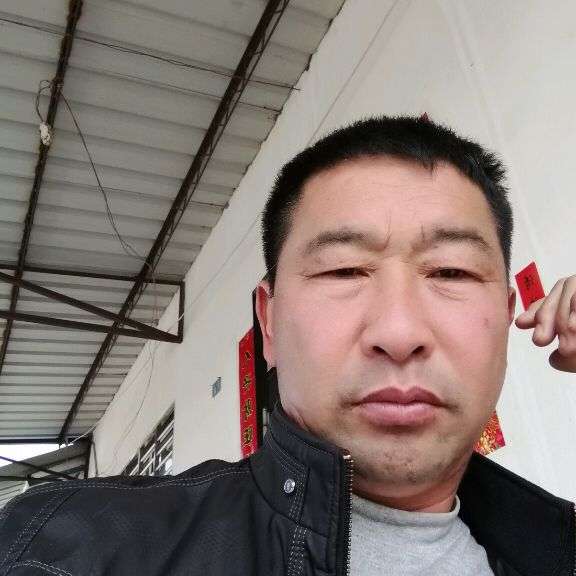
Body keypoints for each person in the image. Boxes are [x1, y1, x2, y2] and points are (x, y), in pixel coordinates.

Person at [1, 117, 575, 576]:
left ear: (507, 314)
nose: (399, 333)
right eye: (344, 270)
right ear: (269, 323)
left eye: (450, 271)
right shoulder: (68, 547)